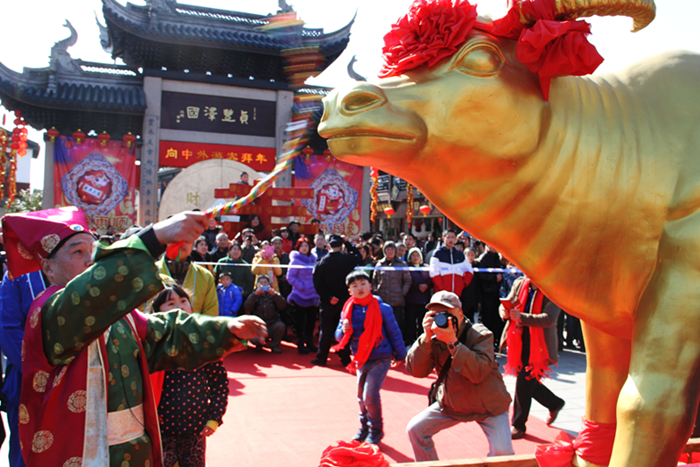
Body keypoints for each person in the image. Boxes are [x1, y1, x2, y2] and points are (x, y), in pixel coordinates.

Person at [2, 207, 266, 466]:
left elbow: (164, 333)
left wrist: (226, 329)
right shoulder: (48, 312)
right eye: (77, 252)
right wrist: (154, 237)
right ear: (48, 267)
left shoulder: (121, 318)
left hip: (130, 450)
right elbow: (87, 295)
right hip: (76, 451)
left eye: (94, 252)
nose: (89, 260)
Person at [405, 291, 513, 461]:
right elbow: (415, 371)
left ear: (460, 314)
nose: (442, 319)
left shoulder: (480, 334)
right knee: (415, 430)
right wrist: (425, 339)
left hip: (489, 406)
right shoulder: (433, 336)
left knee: (503, 455)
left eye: (448, 313)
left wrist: (453, 343)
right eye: (436, 314)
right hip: (452, 403)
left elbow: (478, 372)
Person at [152, 283, 229, 467]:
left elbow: (219, 384)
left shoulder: (204, 345)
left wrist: (214, 418)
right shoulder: (153, 345)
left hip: (195, 430)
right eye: (170, 304)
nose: (179, 306)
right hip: (161, 430)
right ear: (156, 313)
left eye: (183, 301)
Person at [335, 271, 406, 445]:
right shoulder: (347, 310)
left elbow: (394, 332)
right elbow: (339, 337)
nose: (359, 288)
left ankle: (376, 430)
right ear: (349, 290)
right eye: (355, 285)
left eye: (362, 283)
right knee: (361, 396)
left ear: (370, 286)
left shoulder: (383, 308)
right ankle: (364, 428)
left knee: (370, 395)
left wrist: (401, 354)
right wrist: (343, 329)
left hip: (381, 356)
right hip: (360, 357)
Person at [500, 276, 565, 439]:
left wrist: (521, 317)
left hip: (538, 344)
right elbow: (507, 303)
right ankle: (554, 403)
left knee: (523, 383)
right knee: (528, 382)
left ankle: (518, 425)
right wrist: (504, 311)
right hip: (518, 340)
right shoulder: (520, 283)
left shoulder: (552, 288)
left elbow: (549, 318)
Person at [0, 270, 47, 467]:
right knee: (26, 453)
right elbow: (8, 329)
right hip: (26, 382)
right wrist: (42, 371)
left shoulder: (85, 271)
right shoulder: (16, 275)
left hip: (78, 378)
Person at [311, 235, 363, 367]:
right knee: (344, 330)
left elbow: (317, 283)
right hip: (344, 301)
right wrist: (348, 243)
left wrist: (328, 297)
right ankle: (345, 358)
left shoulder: (322, 262)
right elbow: (358, 256)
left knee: (326, 331)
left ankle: (321, 358)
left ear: (328, 246)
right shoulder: (347, 260)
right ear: (341, 246)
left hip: (328, 302)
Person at [372, 241, 411, 341]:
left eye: (392, 249)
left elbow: (407, 280)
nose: (390, 251)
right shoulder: (379, 264)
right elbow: (374, 280)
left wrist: (403, 291)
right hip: (382, 299)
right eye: (388, 249)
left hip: (397, 300)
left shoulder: (401, 264)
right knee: (383, 324)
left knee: (396, 325)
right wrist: (376, 290)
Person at [287, 237, 320, 354]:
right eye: (302, 246)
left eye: (306, 246)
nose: (305, 248)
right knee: (300, 321)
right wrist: (302, 286)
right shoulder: (295, 261)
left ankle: (310, 341)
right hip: (299, 294)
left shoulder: (313, 260)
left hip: (312, 294)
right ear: (298, 248)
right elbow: (290, 277)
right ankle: (300, 342)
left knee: (311, 321)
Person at [244, 276, 287, 353]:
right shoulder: (254, 294)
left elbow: (283, 306)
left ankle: (275, 345)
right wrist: (255, 294)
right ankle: (259, 344)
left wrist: (275, 295)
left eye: (265, 282)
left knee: (280, 326)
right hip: (258, 326)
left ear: (269, 284)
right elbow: (247, 307)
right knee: (254, 339)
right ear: (257, 285)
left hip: (272, 324)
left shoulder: (274, 294)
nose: (263, 285)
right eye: (261, 283)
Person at [475, 245, 504, 348]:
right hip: (486, 292)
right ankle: (486, 341)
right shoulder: (484, 258)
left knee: (496, 318)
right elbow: (481, 275)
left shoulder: (498, 257)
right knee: (486, 317)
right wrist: (494, 278)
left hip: (497, 292)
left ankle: (495, 340)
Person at [429, 229, 473, 296]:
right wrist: (442, 287)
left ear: (456, 239)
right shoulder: (437, 253)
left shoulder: (460, 254)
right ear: (443, 238)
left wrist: (463, 284)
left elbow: (469, 270)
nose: (450, 240)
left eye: (452, 237)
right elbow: (433, 272)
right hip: (441, 294)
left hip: (457, 293)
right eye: (448, 237)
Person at [405, 247, 432, 346]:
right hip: (411, 299)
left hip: (424, 299)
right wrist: (417, 286)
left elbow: (431, 279)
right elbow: (406, 280)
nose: (415, 257)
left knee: (423, 321)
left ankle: (423, 340)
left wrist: (427, 285)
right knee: (410, 321)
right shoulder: (407, 267)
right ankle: (409, 341)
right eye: (413, 255)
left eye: (417, 255)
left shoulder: (426, 267)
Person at [460, 247, 481, 322]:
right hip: (464, 296)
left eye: (472, 255)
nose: (470, 257)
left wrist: (479, 300)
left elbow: (479, 284)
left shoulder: (477, 266)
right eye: (468, 255)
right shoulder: (461, 266)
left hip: (474, 296)